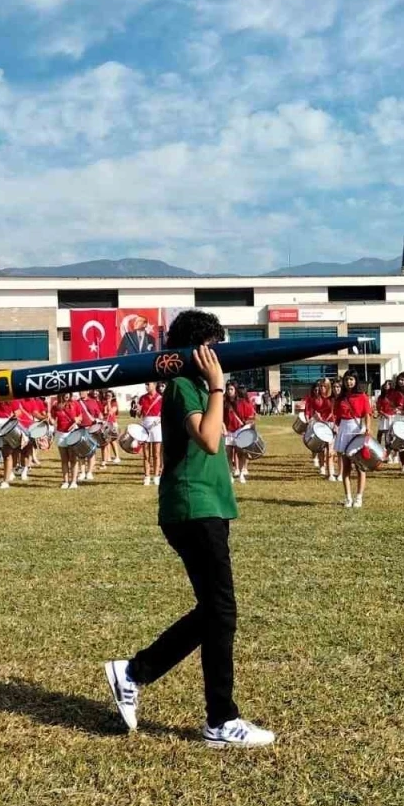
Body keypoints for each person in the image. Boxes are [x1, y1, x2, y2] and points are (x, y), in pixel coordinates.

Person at [104, 310, 274, 749]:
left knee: (215, 612)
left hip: (210, 507)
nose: (224, 354)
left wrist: (218, 389)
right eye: (217, 345)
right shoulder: (183, 387)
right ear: (199, 350)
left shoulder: (197, 386)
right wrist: (217, 388)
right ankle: (220, 720)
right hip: (191, 507)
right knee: (221, 611)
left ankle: (135, 672)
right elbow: (209, 439)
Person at [334, 370, 374, 508]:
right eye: (346, 380)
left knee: (360, 467)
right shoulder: (340, 398)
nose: (349, 382)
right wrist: (335, 426)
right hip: (344, 430)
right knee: (346, 467)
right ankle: (348, 497)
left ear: (356, 380)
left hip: (357, 430)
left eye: (351, 379)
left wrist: (368, 428)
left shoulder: (362, 396)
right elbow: (337, 417)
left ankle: (359, 498)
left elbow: (367, 414)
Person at [222, 382, 255, 484]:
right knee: (228, 454)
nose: (229, 391)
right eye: (228, 389)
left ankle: (241, 473)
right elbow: (220, 417)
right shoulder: (223, 403)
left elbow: (251, 417)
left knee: (240, 453)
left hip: (240, 431)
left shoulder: (242, 402)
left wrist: (246, 424)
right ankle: (230, 474)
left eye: (231, 389)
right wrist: (223, 429)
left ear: (235, 390)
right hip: (228, 431)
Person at [304, 379, 335, 476]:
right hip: (320, 425)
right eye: (321, 386)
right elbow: (313, 410)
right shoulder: (315, 399)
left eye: (324, 386)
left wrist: (326, 418)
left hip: (331, 423)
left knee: (330, 449)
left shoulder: (332, 398)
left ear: (328, 387)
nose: (322, 388)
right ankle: (322, 467)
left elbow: (333, 411)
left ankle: (330, 469)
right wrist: (316, 417)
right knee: (321, 448)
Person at [137, 382, 163, 486]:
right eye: (146, 384)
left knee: (156, 454)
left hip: (157, 425)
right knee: (146, 454)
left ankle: (156, 476)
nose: (147, 386)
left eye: (149, 384)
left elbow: (164, 413)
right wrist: (137, 410)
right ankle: (147, 476)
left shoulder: (161, 398)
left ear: (155, 384)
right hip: (145, 424)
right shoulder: (142, 398)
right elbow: (139, 414)